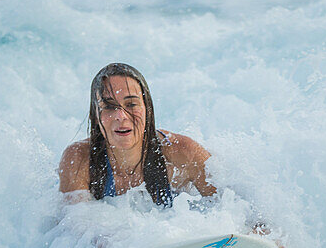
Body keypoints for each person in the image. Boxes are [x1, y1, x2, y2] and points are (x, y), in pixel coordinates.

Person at [58, 62, 215, 204]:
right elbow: (74, 229)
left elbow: (229, 207)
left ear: (147, 109)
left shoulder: (182, 154)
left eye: (131, 104)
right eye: (109, 107)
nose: (121, 116)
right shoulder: (79, 160)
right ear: (96, 116)